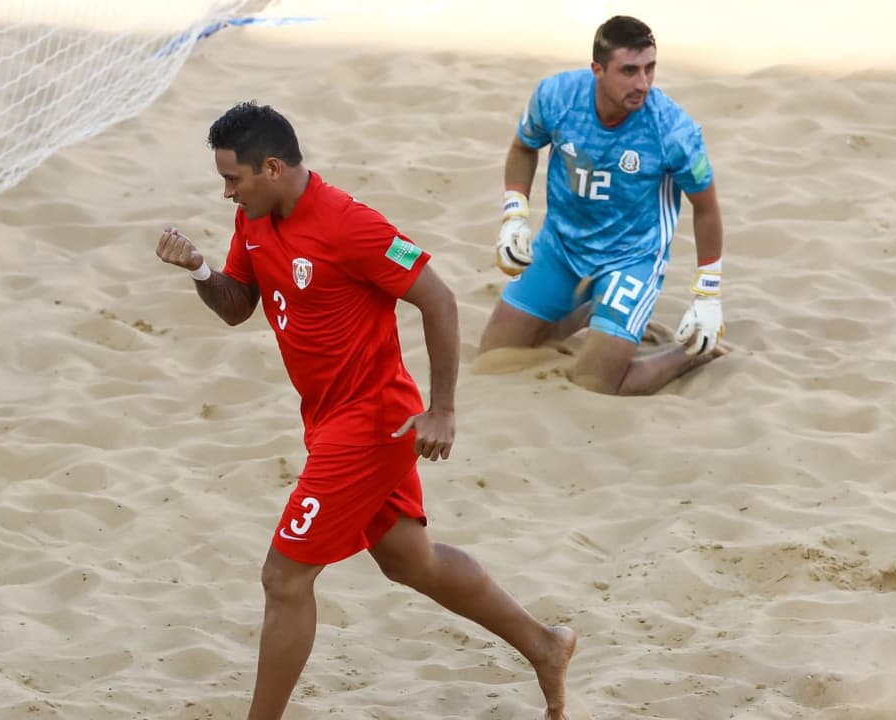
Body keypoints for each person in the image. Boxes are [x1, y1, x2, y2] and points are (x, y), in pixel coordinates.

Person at [155, 101, 581, 720]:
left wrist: (443, 410)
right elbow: (239, 305)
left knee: (285, 578)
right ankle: (545, 646)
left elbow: (439, 299)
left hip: (371, 421)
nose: (226, 193)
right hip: (325, 418)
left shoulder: (351, 225)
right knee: (412, 560)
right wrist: (199, 269)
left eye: (234, 179)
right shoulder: (255, 217)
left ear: (272, 167)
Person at [479, 15, 728, 396]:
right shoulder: (555, 97)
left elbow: (707, 208)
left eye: (649, 69)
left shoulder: (673, 131)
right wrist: (515, 215)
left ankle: (692, 353)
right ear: (597, 69)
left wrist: (707, 295)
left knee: (597, 383)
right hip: (561, 247)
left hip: (630, 259)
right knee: (495, 354)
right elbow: (523, 148)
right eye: (629, 71)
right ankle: (592, 312)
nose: (642, 83)